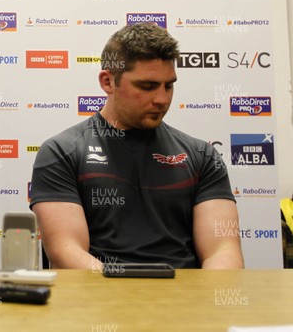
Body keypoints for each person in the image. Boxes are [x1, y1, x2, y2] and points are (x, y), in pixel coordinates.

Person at [30, 23, 244, 269]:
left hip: (184, 300)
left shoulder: (202, 155)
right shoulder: (62, 153)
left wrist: (204, 302)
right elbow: (66, 252)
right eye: (147, 86)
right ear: (108, 82)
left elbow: (222, 251)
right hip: (100, 300)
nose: (162, 99)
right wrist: (131, 299)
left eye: (169, 85)